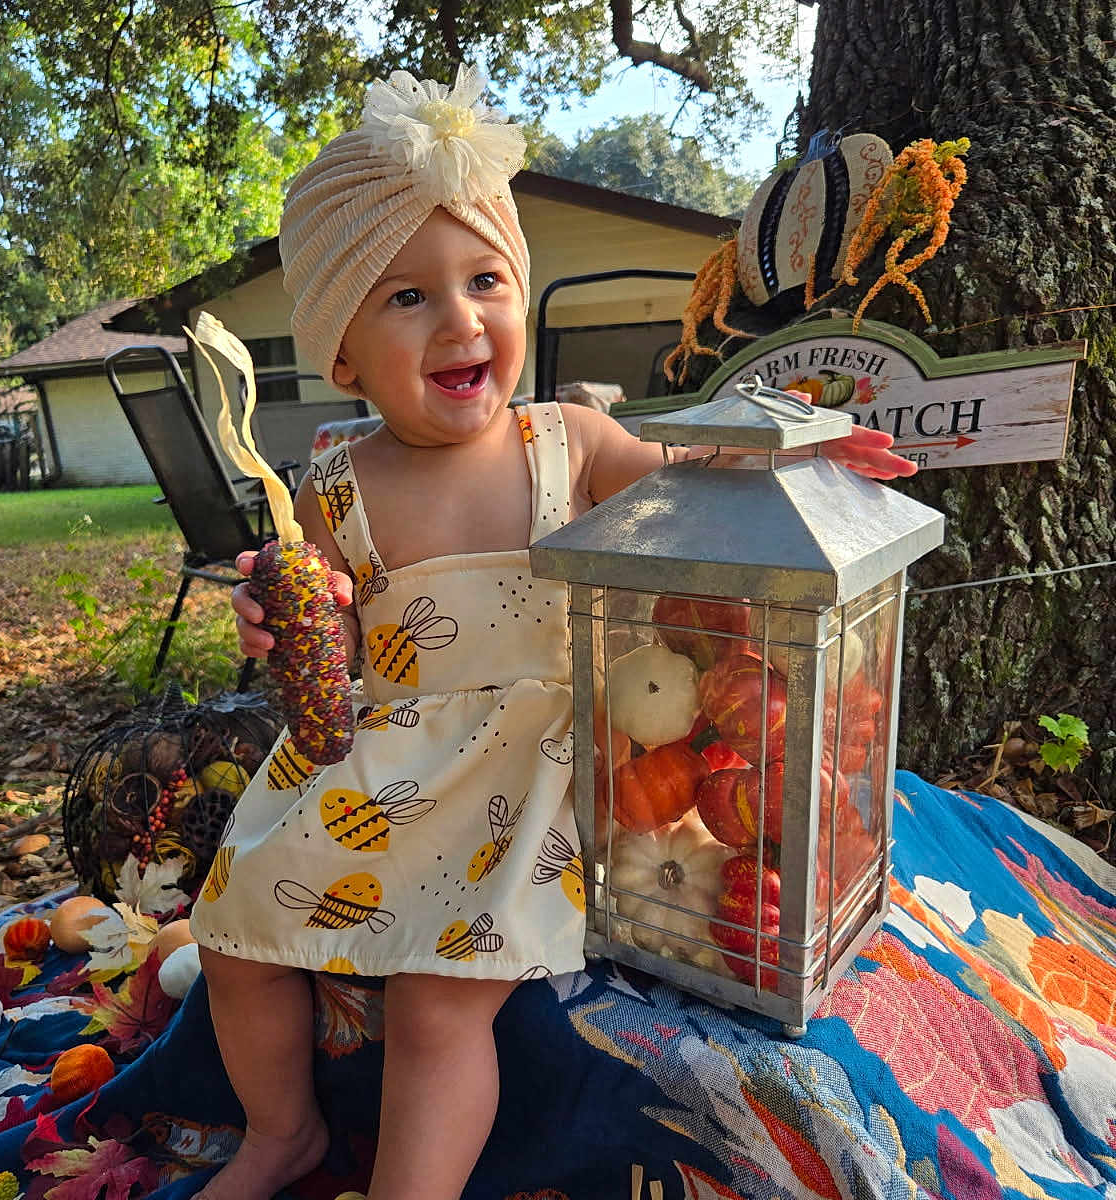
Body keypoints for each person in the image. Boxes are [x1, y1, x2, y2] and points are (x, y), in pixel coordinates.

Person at [189, 65, 917, 1200]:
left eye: (484, 279)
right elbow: (318, 620)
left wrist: (798, 452)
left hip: (527, 760)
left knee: (439, 997)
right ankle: (278, 1131)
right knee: (234, 933)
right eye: (408, 298)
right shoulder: (333, 483)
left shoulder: (565, 442)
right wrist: (280, 620)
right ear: (340, 350)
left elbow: (694, 475)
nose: (461, 318)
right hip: (378, 753)